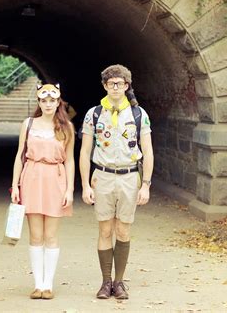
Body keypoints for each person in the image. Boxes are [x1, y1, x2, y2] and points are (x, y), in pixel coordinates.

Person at [79, 64, 154, 300]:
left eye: (120, 83)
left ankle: (119, 282)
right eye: (111, 83)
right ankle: (105, 282)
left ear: (126, 86)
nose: (115, 87)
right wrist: (85, 185)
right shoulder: (94, 114)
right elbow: (84, 152)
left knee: (123, 229)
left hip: (130, 176)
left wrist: (146, 184)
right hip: (103, 176)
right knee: (105, 229)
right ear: (104, 85)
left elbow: (148, 151)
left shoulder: (138, 114)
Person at [11, 83, 75, 300]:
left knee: (51, 235)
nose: (48, 104)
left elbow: (70, 160)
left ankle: (48, 284)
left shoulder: (66, 128)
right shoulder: (28, 124)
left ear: (58, 102)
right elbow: (20, 155)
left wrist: (69, 189)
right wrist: (15, 186)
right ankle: (38, 284)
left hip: (55, 179)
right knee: (35, 235)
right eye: (44, 100)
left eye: (52, 100)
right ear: (39, 102)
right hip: (31, 177)